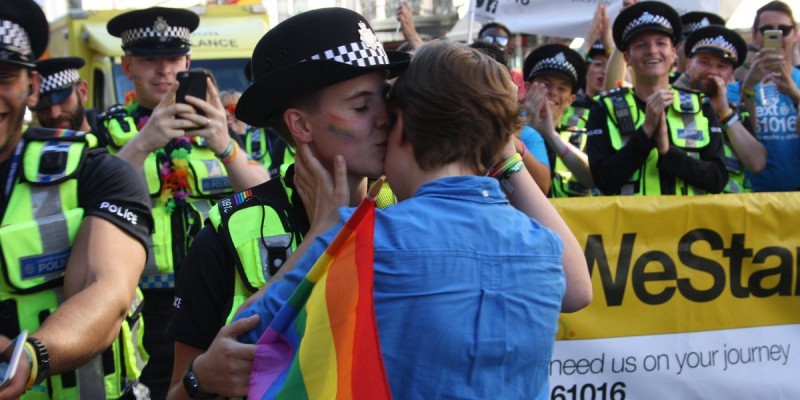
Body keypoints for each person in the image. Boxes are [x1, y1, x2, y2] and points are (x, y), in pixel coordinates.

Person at [235, 39, 591, 399]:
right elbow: (578, 290)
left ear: (401, 128)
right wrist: (498, 142)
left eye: (387, 123)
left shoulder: (368, 242)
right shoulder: (543, 246)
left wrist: (323, 233)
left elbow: (246, 339)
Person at [165, 8, 410, 399]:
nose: (385, 118)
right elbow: (177, 390)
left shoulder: (408, 211)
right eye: (361, 107)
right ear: (301, 125)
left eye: (385, 96)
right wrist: (200, 380)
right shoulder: (228, 233)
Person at [97, 7, 269, 398]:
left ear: (188, 62)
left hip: (218, 297)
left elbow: (265, 197)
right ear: (127, 66)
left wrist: (225, 145)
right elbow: (93, 200)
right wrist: (144, 142)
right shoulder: (107, 132)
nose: (163, 71)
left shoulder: (217, 129)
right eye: (148, 60)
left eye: (173, 59)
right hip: (142, 303)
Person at [0, 1, 153, 399]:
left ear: (31, 86)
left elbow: (108, 290)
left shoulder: (96, 173)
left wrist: (30, 358)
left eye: (3, 76)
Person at [586, 1, 727, 196]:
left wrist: (667, 152)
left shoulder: (701, 106)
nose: (652, 50)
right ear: (627, 57)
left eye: (660, 43)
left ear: (673, 53)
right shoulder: (604, 108)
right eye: (641, 45)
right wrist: (645, 134)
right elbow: (603, 180)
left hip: (689, 224)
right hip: (630, 224)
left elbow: (718, 179)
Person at [674, 25, 767, 193]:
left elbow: (757, 163)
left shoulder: (736, 114)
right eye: (704, 62)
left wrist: (725, 113)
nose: (712, 71)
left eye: (721, 66)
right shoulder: (667, 103)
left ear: (731, 73)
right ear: (688, 65)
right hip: (684, 212)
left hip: (730, 213)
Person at [729, 1, 800, 191]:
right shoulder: (734, 90)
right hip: (754, 199)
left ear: (796, 33)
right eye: (767, 30)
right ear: (755, 36)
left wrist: (796, 95)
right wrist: (749, 86)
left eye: (784, 30)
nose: (778, 36)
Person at [523, 44, 595, 197]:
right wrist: (526, 128)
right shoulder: (507, 123)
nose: (553, 93)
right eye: (546, 84)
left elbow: (594, 179)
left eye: (562, 88)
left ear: (570, 99)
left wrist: (551, 135)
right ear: (528, 88)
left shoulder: (588, 123)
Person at [31, 57, 97, 132]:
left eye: (62, 100)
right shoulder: (23, 143)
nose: (54, 114)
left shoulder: (109, 140)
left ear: (83, 92)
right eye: (43, 105)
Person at [675, 12, 726, 80]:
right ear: (677, 47)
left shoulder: (729, 89)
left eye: (709, 50)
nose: (700, 55)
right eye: (693, 47)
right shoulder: (663, 84)